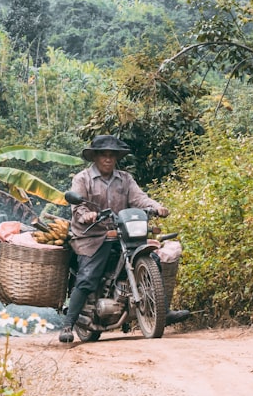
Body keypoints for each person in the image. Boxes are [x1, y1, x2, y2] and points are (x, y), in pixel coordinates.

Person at [60, 135, 190, 343]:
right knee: (87, 276)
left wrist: (156, 207)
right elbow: (78, 205)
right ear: (95, 156)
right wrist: (86, 215)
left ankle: (163, 311)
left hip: (123, 232)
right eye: (104, 155)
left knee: (154, 261)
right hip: (91, 235)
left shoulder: (125, 178)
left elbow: (139, 198)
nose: (108, 159)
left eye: (112, 155)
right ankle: (68, 325)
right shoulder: (82, 179)